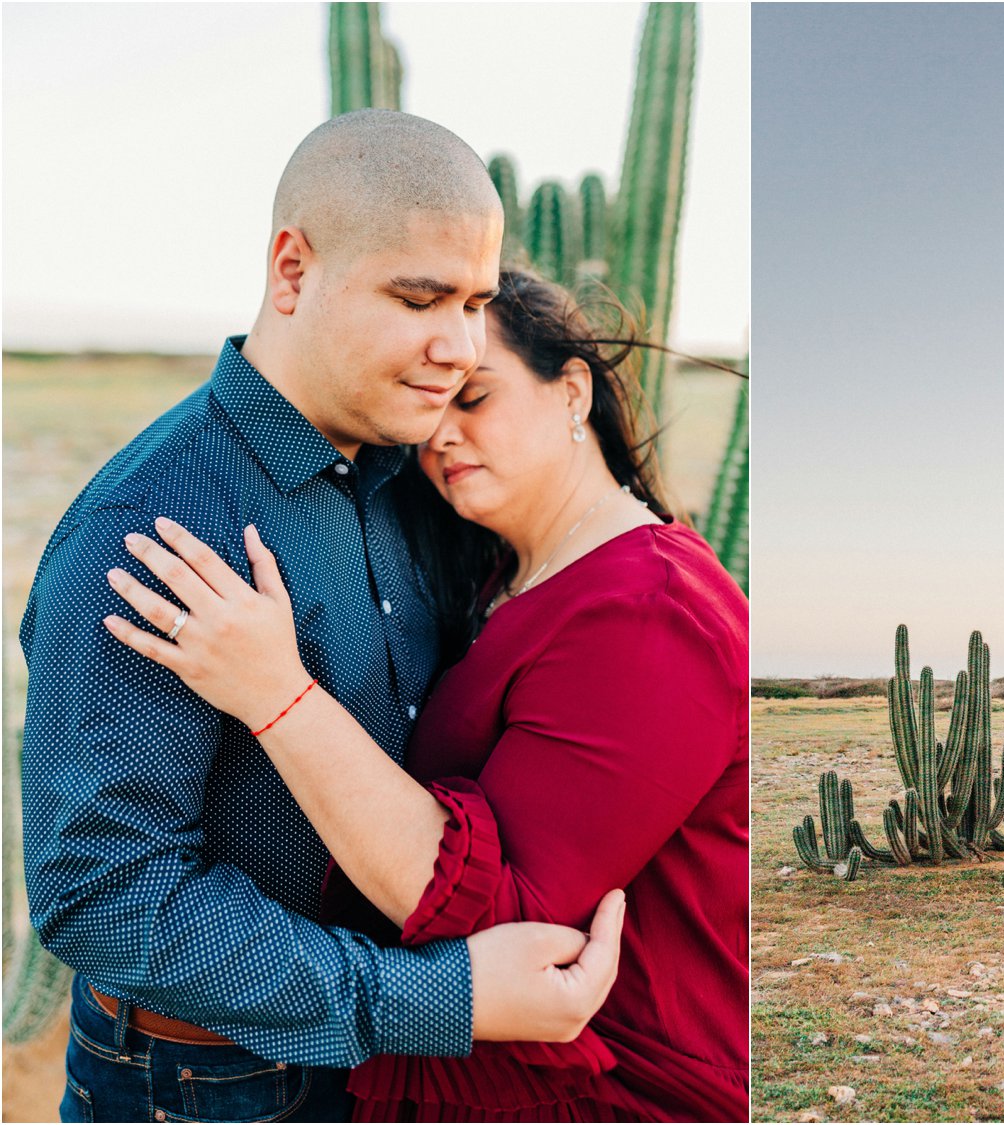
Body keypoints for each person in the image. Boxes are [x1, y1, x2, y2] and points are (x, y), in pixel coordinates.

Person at [20, 111, 624, 1125]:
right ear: (292, 271)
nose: (458, 344)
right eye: (420, 296)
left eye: (476, 301)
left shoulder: (404, 473)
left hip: (379, 1069)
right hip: (208, 1085)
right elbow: (106, 896)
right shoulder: (156, 526)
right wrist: (439, 999)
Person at [100, 268, 751, 1122]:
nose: (442, 436)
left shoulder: (649, 610)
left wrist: (273, 691)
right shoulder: (511, 575)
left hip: (605, 1084)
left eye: (473, 397)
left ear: (573, 392)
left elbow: (513, 926)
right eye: (428, 412)